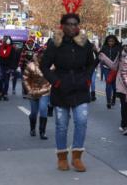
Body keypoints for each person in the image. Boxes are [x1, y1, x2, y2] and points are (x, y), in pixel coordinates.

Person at [41, 13, 95, 172]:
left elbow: (91, 64)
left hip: (80, 88)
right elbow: (44, 66)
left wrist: (87, 79)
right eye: (69, 24)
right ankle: (62, 158)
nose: (72, 27)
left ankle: (77, 157)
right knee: (61, 125)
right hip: (61, 89)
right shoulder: (54, 44)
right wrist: (56, 81)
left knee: (82, 121)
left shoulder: (85, 44)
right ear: (62, 26)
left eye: (75, 24)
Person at [100, 37, 127, 136]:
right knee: (125, 106)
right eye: (125, 45)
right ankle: (124, 125)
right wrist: (104, 58)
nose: (126, 47)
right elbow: (114, 66)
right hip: (122, 84)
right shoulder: (120, 55)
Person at [23, 49, 51, 140]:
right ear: (38, 56)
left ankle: (42, 132)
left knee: (43, 109)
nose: (42, 58)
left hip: (45, 90)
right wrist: (29, 90)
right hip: (33, 91)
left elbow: (54, 78)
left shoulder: (51, 66)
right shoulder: (31, 66)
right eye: (41, 56)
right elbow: (25, 79)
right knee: (34, 112)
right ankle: (32, 128)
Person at [100, 35, 121, 109]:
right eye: (109, 41)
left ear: (115, 41)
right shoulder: (104, 48)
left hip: (115, 69)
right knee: (108, 84)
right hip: (106, 69)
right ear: (107, 41)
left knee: (114, 86)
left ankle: (113, 99)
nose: (110, 43)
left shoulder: (118, 48)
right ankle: (108, 101)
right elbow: (99, 56)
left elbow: (121, 58)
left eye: (112, 41)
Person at [0, 35, 18, 101]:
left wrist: (11, 68)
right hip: (0, 66)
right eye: (4, 39)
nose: (5, 40)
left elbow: (13, 59)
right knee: (0, 80)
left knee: (6, 81)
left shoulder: (12, 49)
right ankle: (0, 92)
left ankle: (5, 93)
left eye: (6, 39)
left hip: (8, 66)